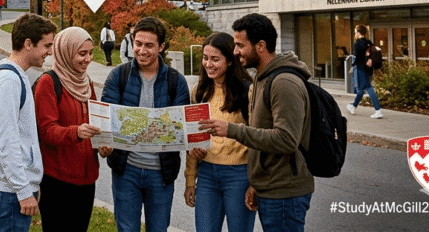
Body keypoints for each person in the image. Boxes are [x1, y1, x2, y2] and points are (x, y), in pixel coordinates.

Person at [198, 13, 314, 232]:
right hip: (269, 187)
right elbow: (262, 136)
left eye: (240, 45)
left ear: (260, 46)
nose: (235, 51)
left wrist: (232, 130)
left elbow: (286, 139)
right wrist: (256, 182)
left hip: (285, 190)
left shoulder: (283, 82)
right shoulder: (262, 79)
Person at [101, 16, 191, 232]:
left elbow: (181, 128)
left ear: (161, 46)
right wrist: (105, 144)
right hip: (126, 170)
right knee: (127, 229)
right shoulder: (118, 75)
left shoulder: (175, 81)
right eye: (138, 44)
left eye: (149, 45)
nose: (141, 50)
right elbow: (106, 118)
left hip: (161, 174)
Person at [0, 13, 57, 232]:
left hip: (14, 187)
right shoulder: (8, 81)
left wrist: (31, 182)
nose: (50, 52)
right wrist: (24, 190)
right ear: (28, 44)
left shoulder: (15, 75)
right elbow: (7, 141)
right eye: (47, 45)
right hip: (8, 190)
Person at [33, 26, 104, 232]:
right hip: (57, 180)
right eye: (81, 54)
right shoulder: (48, 82)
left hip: (86, 178)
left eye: (90, 53)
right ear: (65, 51)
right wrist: (76, 132)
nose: (88, 59)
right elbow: (46, 131)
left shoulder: (86, 82)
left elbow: (94, 123)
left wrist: (103, 145)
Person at [184, 33, 254, 232]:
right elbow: (193, 138)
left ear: (230, 61)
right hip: (206, 175)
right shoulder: (198, 91)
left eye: (215, 59)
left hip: (240, 175)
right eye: (205, 58)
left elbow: (258, 138)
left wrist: (255, 183)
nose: (208, 64)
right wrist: (190, 179)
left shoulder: (247, 92)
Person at [348, 24, 383, 119]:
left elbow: (357, 57)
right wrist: (369, 59)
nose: (355, 33)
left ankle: (378, 110)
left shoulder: (357, 43)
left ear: (359, 32)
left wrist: (354, 65)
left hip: (360, 68)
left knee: (367, 87)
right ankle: (353, 106)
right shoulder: (369, 42)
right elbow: (371, 54)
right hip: (368, 68)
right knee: (360, 89)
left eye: (355, 31)